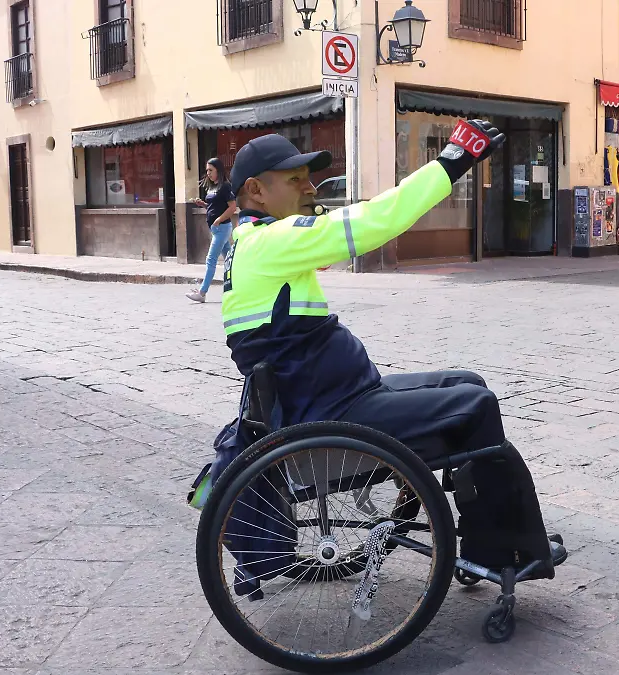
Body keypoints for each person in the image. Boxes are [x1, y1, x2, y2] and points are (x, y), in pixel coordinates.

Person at [220, 123, 562, 578]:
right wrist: (452, 162)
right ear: (256, 191)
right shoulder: (271, 241)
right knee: (477, 405)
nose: (309, 186)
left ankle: (488, 537)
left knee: (467, 382)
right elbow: (375, 219)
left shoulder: (250, 242)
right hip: (334, 411)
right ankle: (500, 553)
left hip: (330, 399)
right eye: (295, 180)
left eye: (308, 177)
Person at [187, 158, 237, 303]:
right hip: (215, 229)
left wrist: (219, 219)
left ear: (218, 170)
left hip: (222, 228)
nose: (208, 173)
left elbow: (232, 207)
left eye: (211, 170)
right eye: (207, 170)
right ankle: (243, 285)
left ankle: (202, 293)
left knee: (211, 259)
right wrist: (203, 204)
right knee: (231, 260)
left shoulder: (225, 186)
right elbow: (214, 206)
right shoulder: (212, 187)